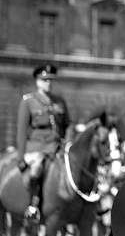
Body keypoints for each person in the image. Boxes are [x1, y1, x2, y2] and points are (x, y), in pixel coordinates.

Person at [16, 63, 71, 223]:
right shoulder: (28, 101)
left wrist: (68, 141)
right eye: (45, 80)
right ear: (37, 81)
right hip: (37, 148)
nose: (49, 83)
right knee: (37, 168)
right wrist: (21, 157)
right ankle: (33, 205)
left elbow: (69, 124)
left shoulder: (60, 102)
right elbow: (21, 131)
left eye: (50, 80)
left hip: (58, 148)